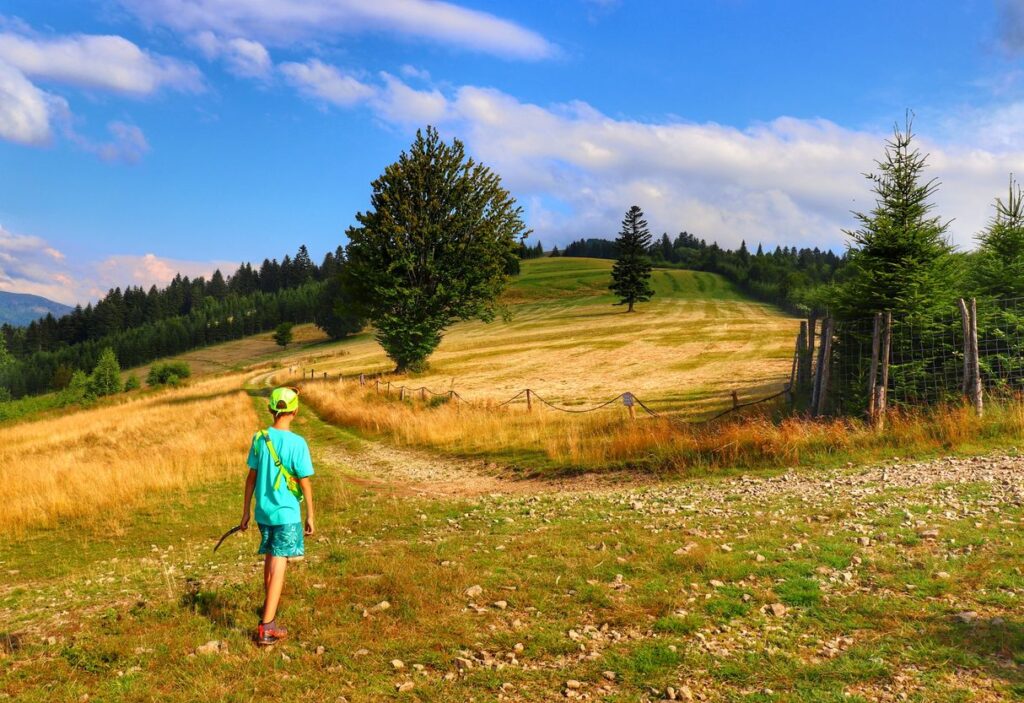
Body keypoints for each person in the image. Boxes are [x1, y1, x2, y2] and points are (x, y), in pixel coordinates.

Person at [240, 386, 316, 647]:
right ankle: (267, 626)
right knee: (281, 560)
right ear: (295, 410)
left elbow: (250, 479)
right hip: (286, 512)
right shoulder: (298, 443)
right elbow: (304, 483)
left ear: (271, 409)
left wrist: (245, 513)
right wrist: (311, 515)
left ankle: (267, 609)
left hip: (263, 511)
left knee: (272, 557)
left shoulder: (259, 438)